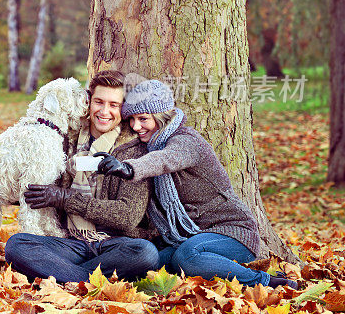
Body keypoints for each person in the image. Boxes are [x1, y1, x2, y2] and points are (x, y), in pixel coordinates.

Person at [94, 79, 297, 289]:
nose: (136, 126)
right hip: (190, 238)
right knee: (151, 266)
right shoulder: (147, 146)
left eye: (144, 119)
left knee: (186, 257)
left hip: (232, 233)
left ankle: (267, 282)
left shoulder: (187, 141)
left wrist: (128, 168)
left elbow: (166, 159)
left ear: (161, 117)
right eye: (133, 120)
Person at [4, 70, 159, 284]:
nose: (105, 111)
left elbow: (128, 216)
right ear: (88, 102)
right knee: (17, 245)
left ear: (124, 108)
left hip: (115, 245)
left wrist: (65, 198)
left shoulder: (134, 150)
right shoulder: (64, 140)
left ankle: (65, 275)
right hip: (70, 243)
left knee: (146, 253)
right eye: (99, 102)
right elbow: (34, 190)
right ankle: (86, 280)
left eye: (114, 105)